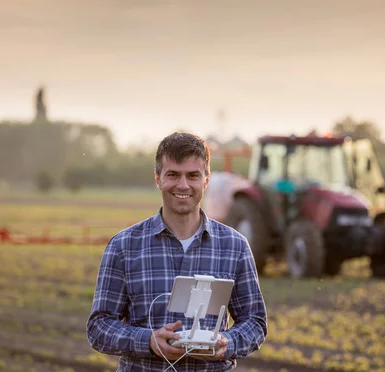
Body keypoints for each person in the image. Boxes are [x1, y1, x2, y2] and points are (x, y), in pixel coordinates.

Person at [87, 132, 268, 371]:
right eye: (173, 175)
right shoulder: (124, 246)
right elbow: (99, 327)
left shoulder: (234, 246)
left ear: (206, 180)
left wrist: (228, 343)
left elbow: (254, 322)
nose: (183, 185)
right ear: (158, 179)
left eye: (193, 175)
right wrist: (149, 341)